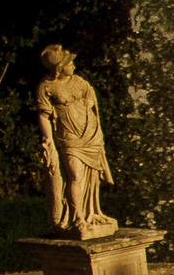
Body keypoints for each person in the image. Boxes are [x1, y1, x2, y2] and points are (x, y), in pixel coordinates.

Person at [33, 44, 118, 239]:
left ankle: (92, 213)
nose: (73, 66)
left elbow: (91, 100)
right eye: (70, 63)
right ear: (59, 68)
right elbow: (44, 116)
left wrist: (88, 104)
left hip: (90, 133)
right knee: (75, 176)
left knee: (91, 178)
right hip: (68, 136)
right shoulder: (46, 87)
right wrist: (48, 140)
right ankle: (77, 216)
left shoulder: (80, 82)